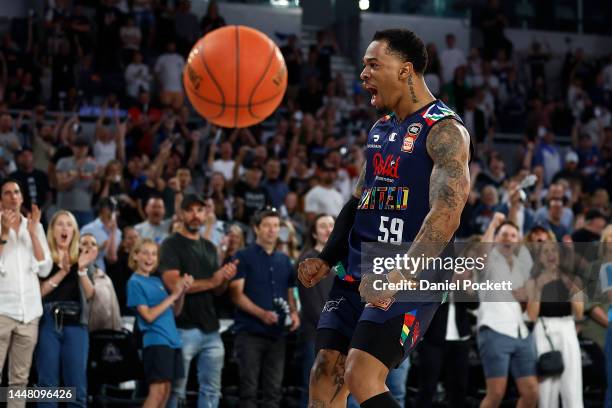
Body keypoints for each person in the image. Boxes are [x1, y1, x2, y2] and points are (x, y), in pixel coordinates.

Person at [298, 29, 471, 408]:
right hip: (360, 267)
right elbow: (361, 198)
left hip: (413, 271)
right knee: (324, 375)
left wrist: (400, 274)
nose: (363, 75)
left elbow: (446, 215)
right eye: (363, 66)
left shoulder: (444, 130)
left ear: (406, 70)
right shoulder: (381, 128)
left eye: (373, 65)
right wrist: (327, 257)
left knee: (361, 372)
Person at [160, 193, 238, 408]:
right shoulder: (170, 245)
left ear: (206, 214)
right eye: (190, 210)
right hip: (182, 328)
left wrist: (224, 278)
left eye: (200, 210)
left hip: (211, 330)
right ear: (182, 214)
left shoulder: (210, 248)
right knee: (176, 391)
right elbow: (174, 285)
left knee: (212, 391)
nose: (195, 215)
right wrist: (214, 281)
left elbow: (217, 291)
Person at [229, 208, 300, 408]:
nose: (272, 230)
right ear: (256, 228)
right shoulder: (242, 256)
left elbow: (289, 290)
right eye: (267, 225)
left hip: (277, 334)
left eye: (276, 226)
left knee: (274, 392)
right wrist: (261, 314)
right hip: (249, 332)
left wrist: (294, 313)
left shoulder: (284, 260)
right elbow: (235, 294)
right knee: (248, 392)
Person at [476, 214, 538, 408]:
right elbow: (481, 252)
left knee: (532, 394)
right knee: (495, 394)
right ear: (496, 238)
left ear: (518, 241)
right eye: (503, 234)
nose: (507, 238)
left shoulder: (521, 266)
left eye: (512, 235)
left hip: (521, 332)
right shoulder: (489, 261)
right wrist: (493, 223)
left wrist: (526, 296)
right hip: (494, 330)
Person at [0, 179, 52, 408]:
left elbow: (45, 268)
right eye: (8, 193)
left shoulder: (36, 226)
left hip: (29, 313)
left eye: (17, 192)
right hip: (2, 311)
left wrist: (32, 233)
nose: (13, 196)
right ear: (1, 199)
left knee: (19, 381)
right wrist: (3, 233)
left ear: (22, 197)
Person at [37, 210, 96, 408]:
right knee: (47, 386)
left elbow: (90, 294)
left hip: (76, 323)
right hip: (48, 321)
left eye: (69, 224)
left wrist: (80, 270)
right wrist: (62, 271)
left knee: (77, 387)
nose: (64, 228)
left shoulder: (83, 257)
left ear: (74, 231)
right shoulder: (43, 257)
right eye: (59, 224)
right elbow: (40, 292)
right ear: (52, 230)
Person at [127, 239, 193, 408]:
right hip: (156, 342)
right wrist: (173, 295)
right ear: (135, 256)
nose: (150, 258)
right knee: (156, 393)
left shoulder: (157, 281)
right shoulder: (135, 282)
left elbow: (175, 312)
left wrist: (182, 292)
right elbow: (148, 316)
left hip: (171, 341)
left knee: (165, 392)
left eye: (154, 254)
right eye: (145, 253)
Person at [525, 240, 584, 408]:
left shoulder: (572, 278)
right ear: (540, 258)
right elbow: (532, 315)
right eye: (546, 252)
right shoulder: (533, 280)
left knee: (572, 383)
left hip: (567, 327)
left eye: (554, 251)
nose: (551, 254)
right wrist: (540, 287)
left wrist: (572, 288)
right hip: (544, 329)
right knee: (547, 388)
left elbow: (579, 312)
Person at [297, 214, 335, 408]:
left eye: (331, 225)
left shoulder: (341, 261)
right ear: (313, 233)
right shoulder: (307, 260)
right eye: (322, 226)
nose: (328, 229)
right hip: (317, 334)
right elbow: (312, 305)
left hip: (337, 333)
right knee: (312, 388)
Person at [83, 233, 122, 332]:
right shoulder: (73, 273)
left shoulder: (103, 276)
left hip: (105, 332)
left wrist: (116, 329)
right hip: (83, 329)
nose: (89, 246)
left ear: (97, 251)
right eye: (84, 243)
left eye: (93, 244)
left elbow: (114, 307)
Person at [81, 198, 121, 273]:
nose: (114, 213)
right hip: (88, 271)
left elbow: (112, 259)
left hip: (109, 273)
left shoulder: (118, 232)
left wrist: (113, 232)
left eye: (115, 210)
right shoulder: (88, 229)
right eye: (110, 209)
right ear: (102, 210)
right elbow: (81, 254)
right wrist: (100, 248)